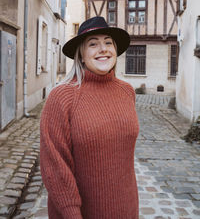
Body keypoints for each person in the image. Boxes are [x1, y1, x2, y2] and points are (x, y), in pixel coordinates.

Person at [40, 16, 139, 219]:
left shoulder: (127, 91)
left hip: (126, 208)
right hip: (81, 213)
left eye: (108, 42)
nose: (103, 49)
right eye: (93, 44)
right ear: (81, 55)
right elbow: (55, 165)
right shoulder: (63, 97)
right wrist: (71, 213)